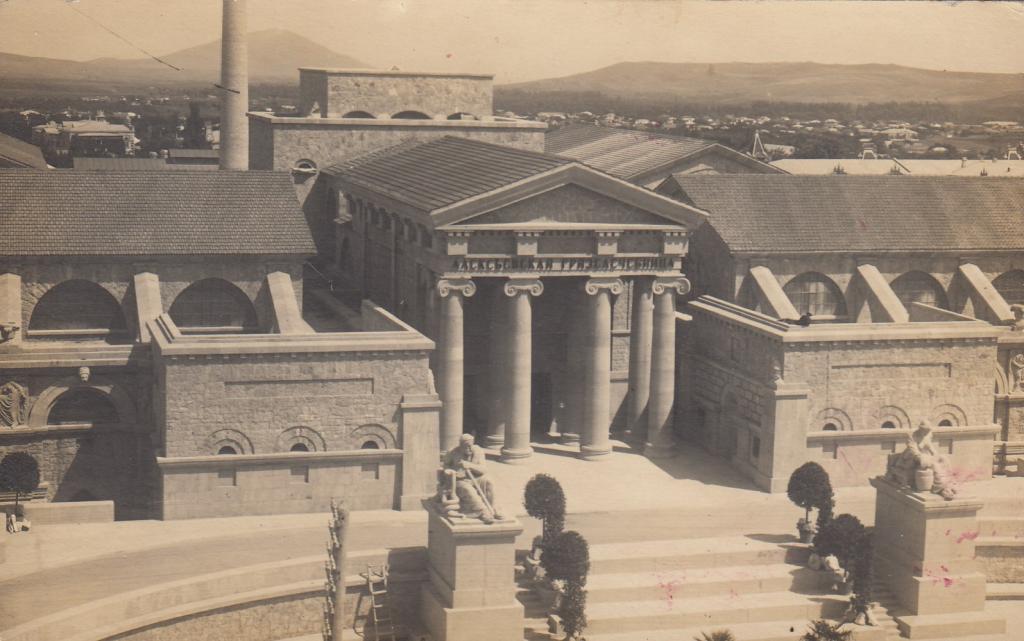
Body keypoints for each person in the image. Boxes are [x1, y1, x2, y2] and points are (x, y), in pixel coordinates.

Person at [442, 434, 503, 523]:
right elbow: (445, 466)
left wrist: (470, 465)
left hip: (476, 477)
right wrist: (450, 471)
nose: (470, 449)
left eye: (471, 446)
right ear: (461, 446)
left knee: (489, 482)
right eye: (467, 447)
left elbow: (483, 470)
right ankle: (482, 511)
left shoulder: (478, 451)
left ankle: (493, 507)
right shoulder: (452, 452)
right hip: (460, 480)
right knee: (467, 488)